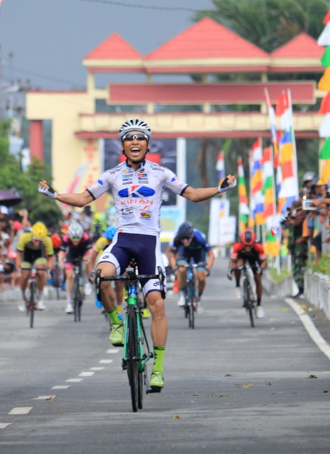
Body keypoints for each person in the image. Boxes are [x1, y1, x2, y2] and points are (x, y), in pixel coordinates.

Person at [38, 118, 236, 391]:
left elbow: (191, 194)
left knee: (156, 304)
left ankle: (158, 368)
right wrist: (54, 194)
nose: (134, 142)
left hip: (148, 246)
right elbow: (84, 198)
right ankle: (116, 322)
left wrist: (219, 188)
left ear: (147, 144)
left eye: (139, 137)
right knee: (102, 276)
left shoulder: (161, 173)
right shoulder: (111, 175)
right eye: (129, 138)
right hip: (121, 242)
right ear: (122, 145)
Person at [167, 221, 214, 313]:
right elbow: (172, 255)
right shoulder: (177, 238)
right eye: (183, 238)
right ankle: (181, 295)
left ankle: (198, 298)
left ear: (191, 235)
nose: (185, 241)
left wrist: (208, 268)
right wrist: (174, 269)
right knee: (181, 269)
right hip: (185, 253)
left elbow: (211, 254)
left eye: (187, 238)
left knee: (201, 277)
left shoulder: (199, 238)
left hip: (199, 254)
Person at [228, 228, 267, 318]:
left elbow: (264, 262)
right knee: (238, 266)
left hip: (254, 258)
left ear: (254, 242)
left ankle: (259, 305)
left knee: (257, 277)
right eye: (246, 245)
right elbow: (232, 261)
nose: (248, 248)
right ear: (242, 243)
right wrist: (231, 271)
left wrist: (260, 269)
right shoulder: (237, 246)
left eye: (250, 245)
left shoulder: (258, 246)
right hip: (242, 256)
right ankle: (238, 285)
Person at [15, 221, 54, 311]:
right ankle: (22, 298)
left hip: (39, 255)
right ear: (32, 235)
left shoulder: (48, 240)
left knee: (41, 273)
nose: (37, 242)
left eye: (40, 241)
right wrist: (18, 270)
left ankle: (40, 299)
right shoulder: (24, 237)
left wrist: (48, 271)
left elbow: (51, 258)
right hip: (26, 254)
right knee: (24, 275)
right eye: (35, 240)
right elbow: (18, 255)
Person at [59, 221, 93, 314]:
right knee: (69, 275)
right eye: (73, 238)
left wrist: (87, 259)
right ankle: (69, 303)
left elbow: (90, 251)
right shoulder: (66, 238)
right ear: (69, 236)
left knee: (85, 262)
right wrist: (61, 261)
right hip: (72, 255)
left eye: (78, 238)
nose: (76, 240)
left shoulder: (85, 237)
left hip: (83, 253)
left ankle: (86, 282)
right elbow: (61, 252)